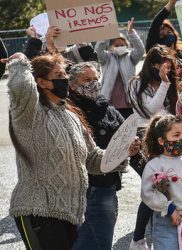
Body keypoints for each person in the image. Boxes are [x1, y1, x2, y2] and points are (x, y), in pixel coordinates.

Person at [4, 53, 106, 249]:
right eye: (59, 76)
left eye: (65, 75)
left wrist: (122, 152)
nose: (65, 80)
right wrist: (19, 62)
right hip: (37, 211)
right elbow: (20, 88)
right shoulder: (29, 113)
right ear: (41, 82)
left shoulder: (72, 116)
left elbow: (92, 160)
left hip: (70, 212)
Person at [68, 62, 140, 250]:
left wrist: (131, 146)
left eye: (95, 79)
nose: (93, 84)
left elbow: (125, 131)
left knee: (98, 238)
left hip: (108, 182)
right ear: (72, 85)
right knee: (95, 240)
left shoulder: (104, 105)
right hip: (90, 186)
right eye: (86, 80)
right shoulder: (70, 111)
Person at [127, 44, 178, 250]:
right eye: (162, 65)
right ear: (152, 64)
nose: (166, 70)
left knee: (165, 188)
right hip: (143, 141)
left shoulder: (169, 82)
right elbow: (150, 111)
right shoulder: (136, 84)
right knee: (154, 188)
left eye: (169, 66)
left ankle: (145, 237)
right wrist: (165, 84)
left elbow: (174, 113)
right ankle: (137, 239)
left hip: (167, 141)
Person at [141, 114, 182, 250]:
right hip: (166, 221)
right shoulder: (155, 165)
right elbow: (148, 194)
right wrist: (169, 209)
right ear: (161, 140)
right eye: (176, 135)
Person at [95, 18, 145, 118]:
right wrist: (106, 35)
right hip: (109, 101)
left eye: (122, 45)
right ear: (110, 46)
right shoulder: (106, 58)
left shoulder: (131, 58)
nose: (120, 47)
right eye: (116, 45)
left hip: (128, 101)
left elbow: (140, 49)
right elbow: (98, 50)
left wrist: (131, 33)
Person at [24, 26, 98, 62]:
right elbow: (31, 59)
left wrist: (78, 37)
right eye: (53, 38)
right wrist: (34, 37)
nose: (58, 42)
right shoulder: (44, 56)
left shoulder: (73, 51)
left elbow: (91, 59)